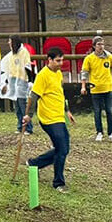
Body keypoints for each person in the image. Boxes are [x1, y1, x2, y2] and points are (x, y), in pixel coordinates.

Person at [23, 47, 77, 192]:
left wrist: (67, 110)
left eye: (62, 60)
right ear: (50, 60)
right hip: (48, 119)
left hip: (59, 116)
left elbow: (60, 93)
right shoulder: (43, 75)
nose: (61, 63)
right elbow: (34, 96)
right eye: (58, 60)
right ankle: (58, 183)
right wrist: (29, 115)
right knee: (62, 149)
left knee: (64, 149)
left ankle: (34, 163)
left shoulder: (58, 73)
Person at [1, 35, 33, 135]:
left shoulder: (24, 52)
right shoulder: (11, 55)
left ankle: (28, 128)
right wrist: (6, 82)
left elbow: (28, 67)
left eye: (10, 41)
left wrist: (30, 81)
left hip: (22, 82)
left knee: (23, 106)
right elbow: (8, 69)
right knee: (17, 107)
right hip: (13, 83)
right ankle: (20, 126)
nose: (8, 43)